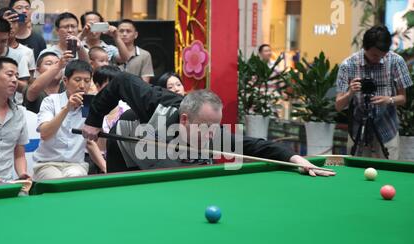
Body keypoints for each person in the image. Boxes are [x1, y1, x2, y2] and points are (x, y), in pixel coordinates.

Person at [82, 71, 335, 177]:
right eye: (204, 126)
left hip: (166, 159)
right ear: (184, 119)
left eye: (215, 126)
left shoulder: (214, 134)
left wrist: (296, 160)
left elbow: (258, 146)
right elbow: (120, 81)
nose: (211, 134)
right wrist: (94, 121)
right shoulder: (154, 103)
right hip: (128, 148)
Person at [335, 25, 413, 160]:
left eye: (383, 55)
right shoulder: (348, 65)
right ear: (365, 47)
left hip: (387, 129)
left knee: (388, 175)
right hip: (358, 131)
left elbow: (403, 98)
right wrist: (350, 93)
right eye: (375, 55)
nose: (379, 58)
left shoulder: (396, 61)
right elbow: (338, 106)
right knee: (355, 174)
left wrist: (389, 100)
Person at [32, 60, 102, 180]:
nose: (82, 86)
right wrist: (67, 108)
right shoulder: (51, 101)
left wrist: (105, 167)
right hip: (47, 164)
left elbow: (93, 143)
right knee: (56, 181)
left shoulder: (91, 106)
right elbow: (45, 133)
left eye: (87, 81)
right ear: (65, 81)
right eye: (77, 79)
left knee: (74, 178)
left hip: (76, 165)